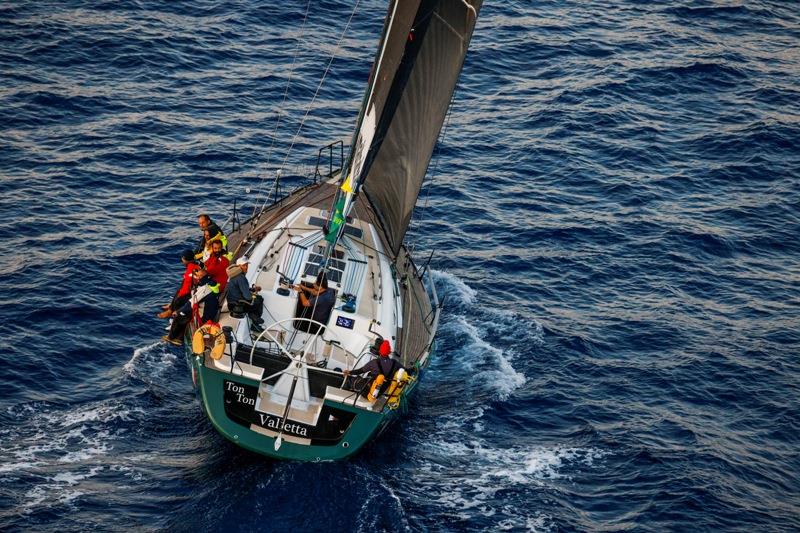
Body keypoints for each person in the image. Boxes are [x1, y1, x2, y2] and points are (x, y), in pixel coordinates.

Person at [163, 269, 220, 346]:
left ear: (202, 277)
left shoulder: (205, 289)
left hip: (205, 316)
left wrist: (178, 311)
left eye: (199, 276)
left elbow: (191, 303)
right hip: (211, 310)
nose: (197, 278)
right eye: (197, 276)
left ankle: (174, 338)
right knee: (184, 312)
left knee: (180, 316)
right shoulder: (211, 284)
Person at [158, 249, 201, 319]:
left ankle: (170, 311)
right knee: (178, 291)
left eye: (182, 258)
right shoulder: (193, 265)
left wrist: (180, 295)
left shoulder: (191, 269)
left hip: (192, 293)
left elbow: (187, 288)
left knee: (179, 297)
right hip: (193, 289)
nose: (182, 260)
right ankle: (171, 306)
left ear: (185, 259)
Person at [226, 256, 264, 331]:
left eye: (247, 265)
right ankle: (255, 323)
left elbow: (239, 289)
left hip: (231, 303)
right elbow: (248, 297)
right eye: (244, 265)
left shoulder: (233, 275)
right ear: (238, 266)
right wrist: (253, 294)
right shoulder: (241, 277)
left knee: (254, 299)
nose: (246, 267)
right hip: (238, 305)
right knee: (259, 299)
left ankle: (253, 316)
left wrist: (252, 289)